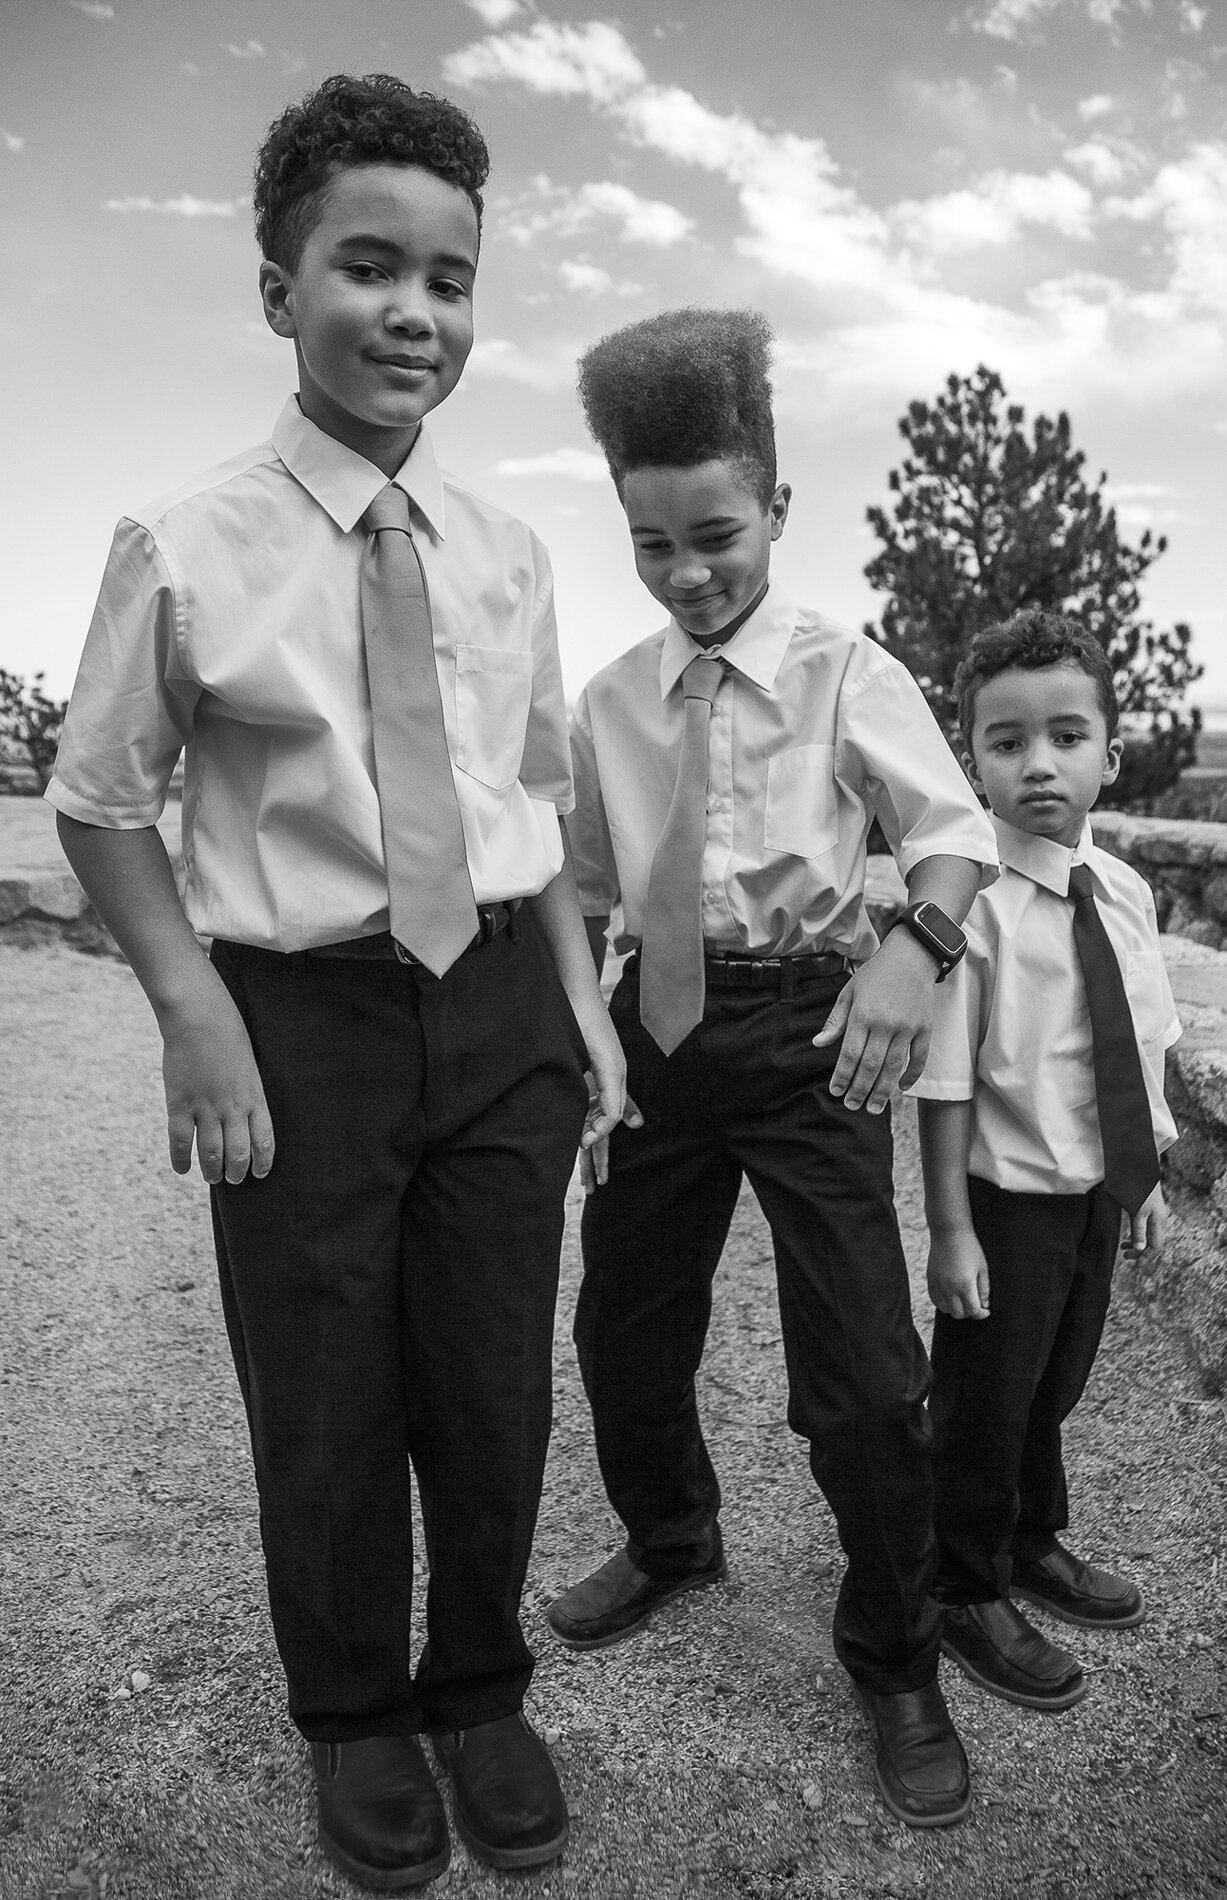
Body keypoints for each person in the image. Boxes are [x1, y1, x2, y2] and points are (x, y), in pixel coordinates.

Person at [48, 73, 628, 1893]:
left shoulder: (513, 552)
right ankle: (355, 1716)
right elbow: (99, 799)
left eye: (449, 279)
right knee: (321, 1388)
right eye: (368, 267)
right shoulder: (186, 541)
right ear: (277, 286)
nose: (415, 313)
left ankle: (477, 1686)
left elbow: (528, 803)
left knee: (487, 1380)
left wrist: (584, 1012)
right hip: (299, 1021)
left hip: (501, 1015)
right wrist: (193, 1011)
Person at [551, 307, 1000, 1830]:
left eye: (716, 535)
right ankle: (672, 1540)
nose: (687, 572)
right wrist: (581, 1041)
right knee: (619, 1325)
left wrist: (905, 954)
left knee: (863, 1379)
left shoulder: (839, 670)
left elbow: (951, 835)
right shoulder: (610, 700)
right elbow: (584, 893)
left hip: (813, 1037)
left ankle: (895, 1654)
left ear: (775, 511)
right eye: (651, 542)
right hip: (656, 1044)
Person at [912, 610, 1178, 1713]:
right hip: (1005, 1203)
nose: (1038, 765)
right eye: (1007, 742)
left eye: (1066, 736)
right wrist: (951, 1230)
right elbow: (945, 1082)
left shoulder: (1122, 892)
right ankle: (963, 1583)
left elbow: (1145, 1040)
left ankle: (1030, 1538)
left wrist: (1148, 1173)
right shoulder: (971, 914)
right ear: (970, 755)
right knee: (985, 1396)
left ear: (1110, 754)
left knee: (1056, 1380)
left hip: (1092, 1195)